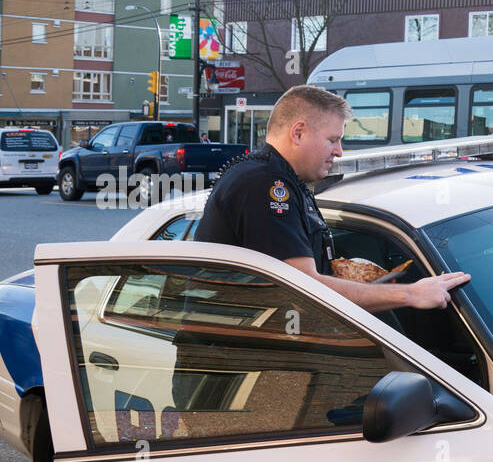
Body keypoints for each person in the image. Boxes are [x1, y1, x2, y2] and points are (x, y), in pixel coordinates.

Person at [196, 84, 469, 311]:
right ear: (298, 132)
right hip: (237, 361)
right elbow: (304, 286)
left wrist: (366, 283)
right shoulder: (264, 184)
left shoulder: (282, 178)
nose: (339, 151)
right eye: (332, 140)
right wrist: (411, 295)